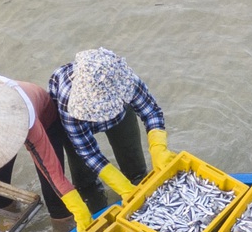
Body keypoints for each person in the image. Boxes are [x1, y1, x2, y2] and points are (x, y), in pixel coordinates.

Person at [0, 75, 101, 232]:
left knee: (54, 197)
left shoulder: (30, 122)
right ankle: (11, 220)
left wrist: (79, 210)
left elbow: (54, 174)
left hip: (45, 122)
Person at [45, 49, 174, 205]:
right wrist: (119, 184)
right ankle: (95, 202)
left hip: (121, 116)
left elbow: (151, 112)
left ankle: (137, 187)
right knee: (85, 180)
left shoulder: (126, 81)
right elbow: (88, 151)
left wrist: (158, 147)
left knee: (135, 167)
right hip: (77, 121)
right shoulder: (69, 101)